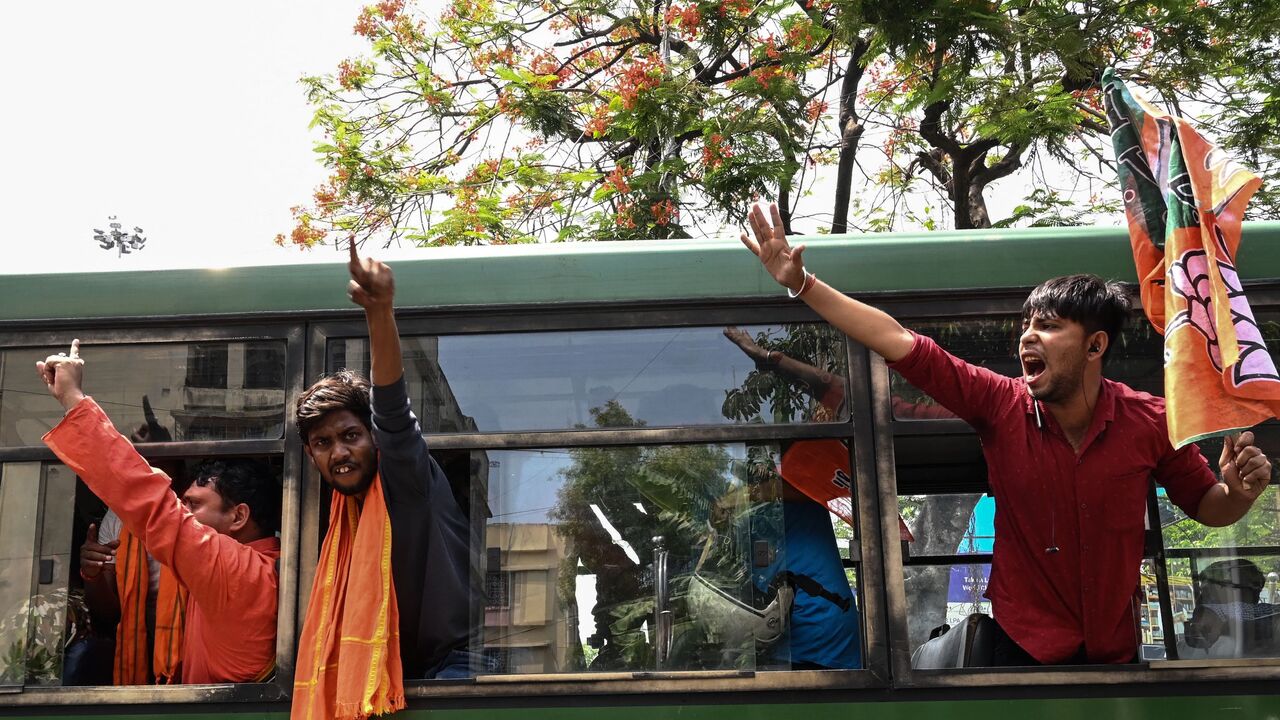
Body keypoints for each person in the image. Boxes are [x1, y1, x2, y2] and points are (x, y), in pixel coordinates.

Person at [739, 203, 1273, 665]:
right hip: (1021, 659)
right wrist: (801, 284)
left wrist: (1240, 493)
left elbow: (1210, 506)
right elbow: (897, 340)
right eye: (1026, 327)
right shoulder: (998, 403)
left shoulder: (1151, 420)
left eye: (1048, 327)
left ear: (1095, 346)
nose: (1027, 339)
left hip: (1119, 660)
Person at [292, 243, 473, 720]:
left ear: (375, 440)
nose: (340, 452)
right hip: (401, 673)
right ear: (311, 456)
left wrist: (379, 311)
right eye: (323, 443)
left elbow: (393, 409)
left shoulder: (405, 480)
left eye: (351, 435)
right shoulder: (341, 519)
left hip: (453, 669)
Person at [36, 344, 281, 683]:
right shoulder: (272, 564)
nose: (183, 512)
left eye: (193, 505)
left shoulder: (236, 570)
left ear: (239, 517)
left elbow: (147, 500)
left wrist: (72, 398)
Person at [722, 327, 862, 669]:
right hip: (790, 631)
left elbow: (799, 486)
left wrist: (739, 498)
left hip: (822, 633)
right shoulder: (763, 502)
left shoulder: (803, 474)